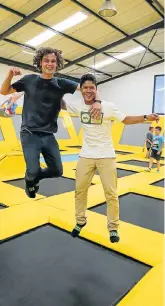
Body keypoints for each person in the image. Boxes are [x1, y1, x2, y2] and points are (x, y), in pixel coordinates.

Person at [62, 73, 159, 243]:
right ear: (81, 90)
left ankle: (113, 227)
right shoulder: (77, 106)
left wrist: (145, 117)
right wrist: (50, 87)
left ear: (96, 89)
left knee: (111, 193)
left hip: (106, 155)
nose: (89, 90)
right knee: (79, 191)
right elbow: (61, 105)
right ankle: (80, 221)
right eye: (85, 87)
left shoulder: (108, 106)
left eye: (92, 87)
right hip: (86, 156)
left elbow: (126, 119)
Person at [0, 47, 101, 198]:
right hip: (29, 133)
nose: (50, 64)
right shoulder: (29, 80)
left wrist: (97, 101)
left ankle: (35, 178)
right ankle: (30, 180)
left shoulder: (61, 83)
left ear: (57, 64)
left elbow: (89, 88)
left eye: (53, 61)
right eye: (46, 61)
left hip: (48, 135)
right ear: (40, 62)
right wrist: (9, 75)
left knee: (57, 171)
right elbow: (4, 91)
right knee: (32, 169)